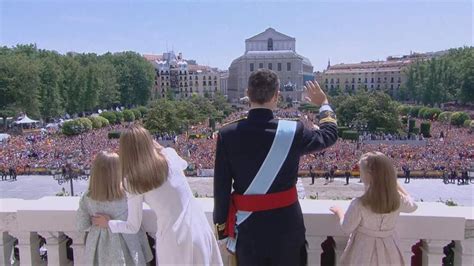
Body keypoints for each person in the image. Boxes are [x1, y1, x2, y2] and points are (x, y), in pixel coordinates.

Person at [213, 70, 338, 266]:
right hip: (287, 228)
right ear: (277, 95)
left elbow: (221, 188)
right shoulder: (292, 131)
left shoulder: (227, 134)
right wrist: (324, 104)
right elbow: (328, 135)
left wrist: (222, 230)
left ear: (248, 94)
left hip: (248, 228)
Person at [92, 126, 223, 265]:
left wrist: (109, 223)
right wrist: (160, 149)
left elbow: (132, 226)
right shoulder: (170, 155)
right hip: (198, 228)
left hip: (172, 239)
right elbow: (184, 164)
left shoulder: (132, 181)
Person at [330, 151, 417, 266]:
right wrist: (394, 183)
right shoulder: (397, 200)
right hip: (390, 249)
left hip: (363, 251)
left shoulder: (359, 204)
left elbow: (347, 227)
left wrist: (339, 212)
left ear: (367, 175)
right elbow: (413, 205)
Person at [76, 151, 153, 265]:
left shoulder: (87, 197)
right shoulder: (128, 194)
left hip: (99, 247)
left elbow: (82, 225)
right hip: (126, 243)